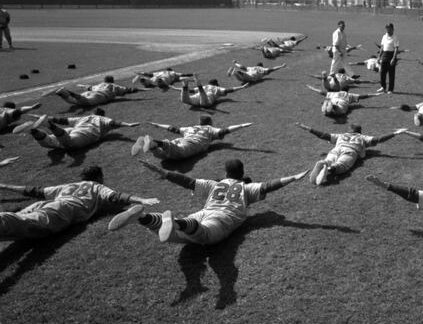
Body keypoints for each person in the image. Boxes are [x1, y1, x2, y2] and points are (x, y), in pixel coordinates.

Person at [109, 159, 306, 245]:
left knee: (175, 236)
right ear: (243, 175)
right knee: (203, 236)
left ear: (225, 174)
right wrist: (294, 177)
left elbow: (186, 180)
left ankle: (143, 217)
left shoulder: (213, 184)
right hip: (222, 218)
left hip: (203, 212)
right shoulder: (246, 188)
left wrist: (161, 171)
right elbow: (269, 186)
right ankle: (175, 222)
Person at [0, 165, 158, 240]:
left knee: (13, 223)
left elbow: (34, 191)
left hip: (46, 204)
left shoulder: (69, 185)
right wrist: (142, 199)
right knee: (17, 222)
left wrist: (4, 186)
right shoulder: (97, 186)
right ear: (99, 177)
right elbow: (116, 196)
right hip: (63, 209)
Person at [295, 122, 406, 185]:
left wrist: (307, 128)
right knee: (342, 166)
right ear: (359, 132)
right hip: (350, 152)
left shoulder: (341, 135)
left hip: (336, 149)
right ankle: (330, 169)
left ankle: (324, 163)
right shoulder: (362, 137)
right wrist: (396, 133)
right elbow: (378, 139)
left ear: (349, 130)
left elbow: (323, 135)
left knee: (330, 158)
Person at [130, 115, 252, 159]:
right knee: (179, 153)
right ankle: (153, 141)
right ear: (210, 122)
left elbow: (172, 128)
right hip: (190, 145)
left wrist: (157, 125)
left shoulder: (189, 127)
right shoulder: (210, 129)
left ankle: (150, 144)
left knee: (162, 155)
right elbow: (225, 131)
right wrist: (242, 125)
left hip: (180, 140)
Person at [20, 108, 139, 150]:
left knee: (48, 143)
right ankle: (48, 126)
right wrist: (128, 124)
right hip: (83, 135)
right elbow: (114, 123)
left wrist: (39, 116)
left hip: (71, 130)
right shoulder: (103, 119)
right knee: (69, 144)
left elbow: (62, 120)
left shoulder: (84, 117)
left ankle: (33, 130)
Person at [49, 75, 139, 107]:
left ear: (104, 80)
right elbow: (130, 90)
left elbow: (88, 87)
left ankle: (61, 94)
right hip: (99, 96)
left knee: (74, 102)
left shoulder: (99, 84)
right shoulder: (115, 86)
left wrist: (81, 85)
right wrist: (143, 89)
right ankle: (68, 92)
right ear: (112, 81)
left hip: (90, 92)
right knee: (87, 102)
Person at [305, 84, 382, 117]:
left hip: (334, 104)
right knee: (334, 104)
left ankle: (329, 107)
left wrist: (311, 88)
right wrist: (375, 94)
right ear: (347, 90)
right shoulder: (350, 95)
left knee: (327, 100)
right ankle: (332, 107)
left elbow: (320, 91)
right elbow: (363, 96)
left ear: (341, 89)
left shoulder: (333, 93)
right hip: (341, 110)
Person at [175, 78, 249, 108]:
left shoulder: (206, 86)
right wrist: (241, 87)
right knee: (204, 102)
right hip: (207, 100)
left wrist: (178, 89)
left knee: (185, 100)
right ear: (216, 84)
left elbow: (190, 91)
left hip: (195, 98)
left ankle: (185, 84)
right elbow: (229, 90)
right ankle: (199, 86)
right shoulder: (218, 88)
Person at [377, 23, 399, 94]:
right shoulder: (384, 36)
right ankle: (383, 87)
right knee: (382, 72)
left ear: (392, 29)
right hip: (384, 55)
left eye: (389, 28)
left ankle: (390, 89)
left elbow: (396, 49)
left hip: (391, 55)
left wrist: (393, 58)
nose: (387, 29)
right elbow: (382, 47)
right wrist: (379, 56)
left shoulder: (395, 37)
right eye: (386, 28)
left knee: (391, 74)